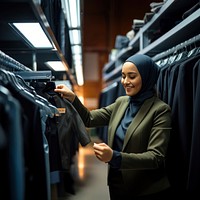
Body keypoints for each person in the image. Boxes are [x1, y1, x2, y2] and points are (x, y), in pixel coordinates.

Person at [54, 54, 172, 200]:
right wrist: (73, 99)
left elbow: (156, 157)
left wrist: (114, 157)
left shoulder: (160, 110)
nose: (125, 81)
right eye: (123, 76)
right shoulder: (121, 102)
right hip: (117, 184)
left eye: (132, 76)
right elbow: (89, 119)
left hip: (145, 189)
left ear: (147, 77)